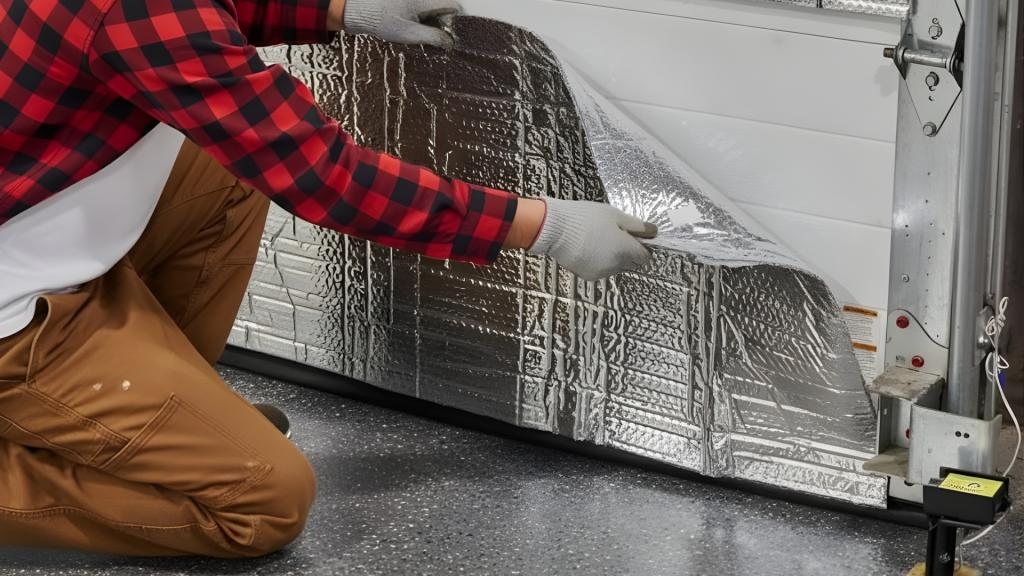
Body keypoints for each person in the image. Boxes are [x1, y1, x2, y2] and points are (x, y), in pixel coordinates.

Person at [0, 0, 656, 558]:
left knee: (226, 164)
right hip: (17, 320)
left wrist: (338, 9)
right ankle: (106, 441)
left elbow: (193, 17)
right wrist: (543, 227)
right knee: (262, 499)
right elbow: (325, 174)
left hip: (40, 236)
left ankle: (136, 427)